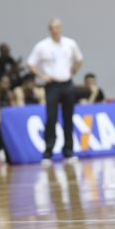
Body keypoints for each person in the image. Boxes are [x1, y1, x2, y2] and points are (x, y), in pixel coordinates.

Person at [27, 18, 83, 166]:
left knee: (68, 118)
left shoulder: (70, 43)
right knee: (51, 118)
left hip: (67, 84)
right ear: (49, 29)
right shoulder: (42, 46)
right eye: (52, 28)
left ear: (61, 28)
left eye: (57, 27)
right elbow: (30, 64)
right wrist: (43, 76)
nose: (55, 30)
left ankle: (68, 151)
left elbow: (79, 59)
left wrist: (73, 71)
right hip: (52, 86)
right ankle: (48, 153)